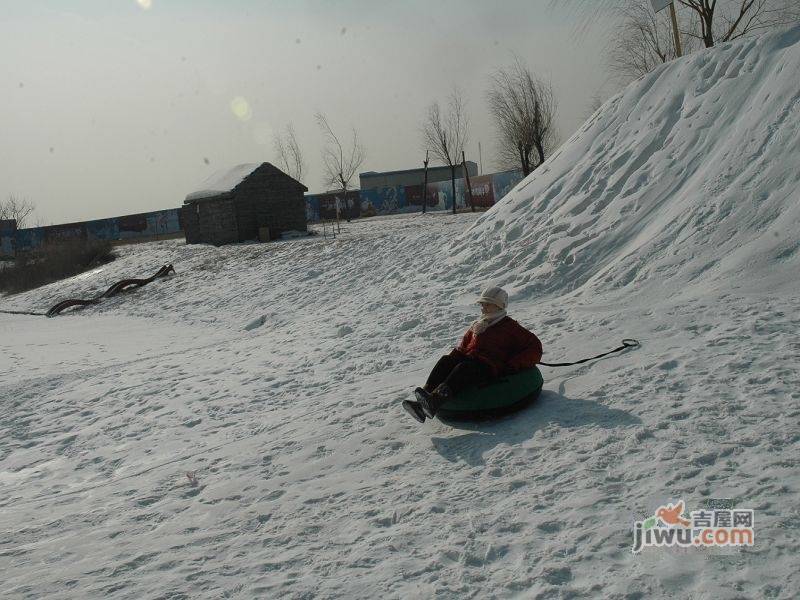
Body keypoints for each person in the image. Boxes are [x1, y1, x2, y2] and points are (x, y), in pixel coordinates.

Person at [403, 286, 543, 423]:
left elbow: (534, 347)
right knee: (446, 361)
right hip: (471, 361)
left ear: (499, 306)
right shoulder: (479, 325)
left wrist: (513, 365)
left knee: (465, 368)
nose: (483, 308)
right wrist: (453, 357)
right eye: (482, 304)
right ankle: (425, 399)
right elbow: (463, 347)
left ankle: (435, 401)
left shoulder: (510, 327)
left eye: (487, 304)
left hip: (490, 366)